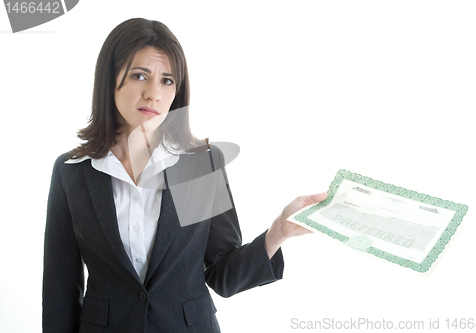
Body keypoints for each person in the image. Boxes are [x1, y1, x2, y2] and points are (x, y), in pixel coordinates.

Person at [43, 18, 327, 333]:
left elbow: (222, 274)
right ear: (110, 79)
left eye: (167, 81)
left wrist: (279, 232)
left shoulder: (198, 166)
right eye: (140, 76)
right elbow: (60, 287)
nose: (154, 93)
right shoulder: (73, 172)